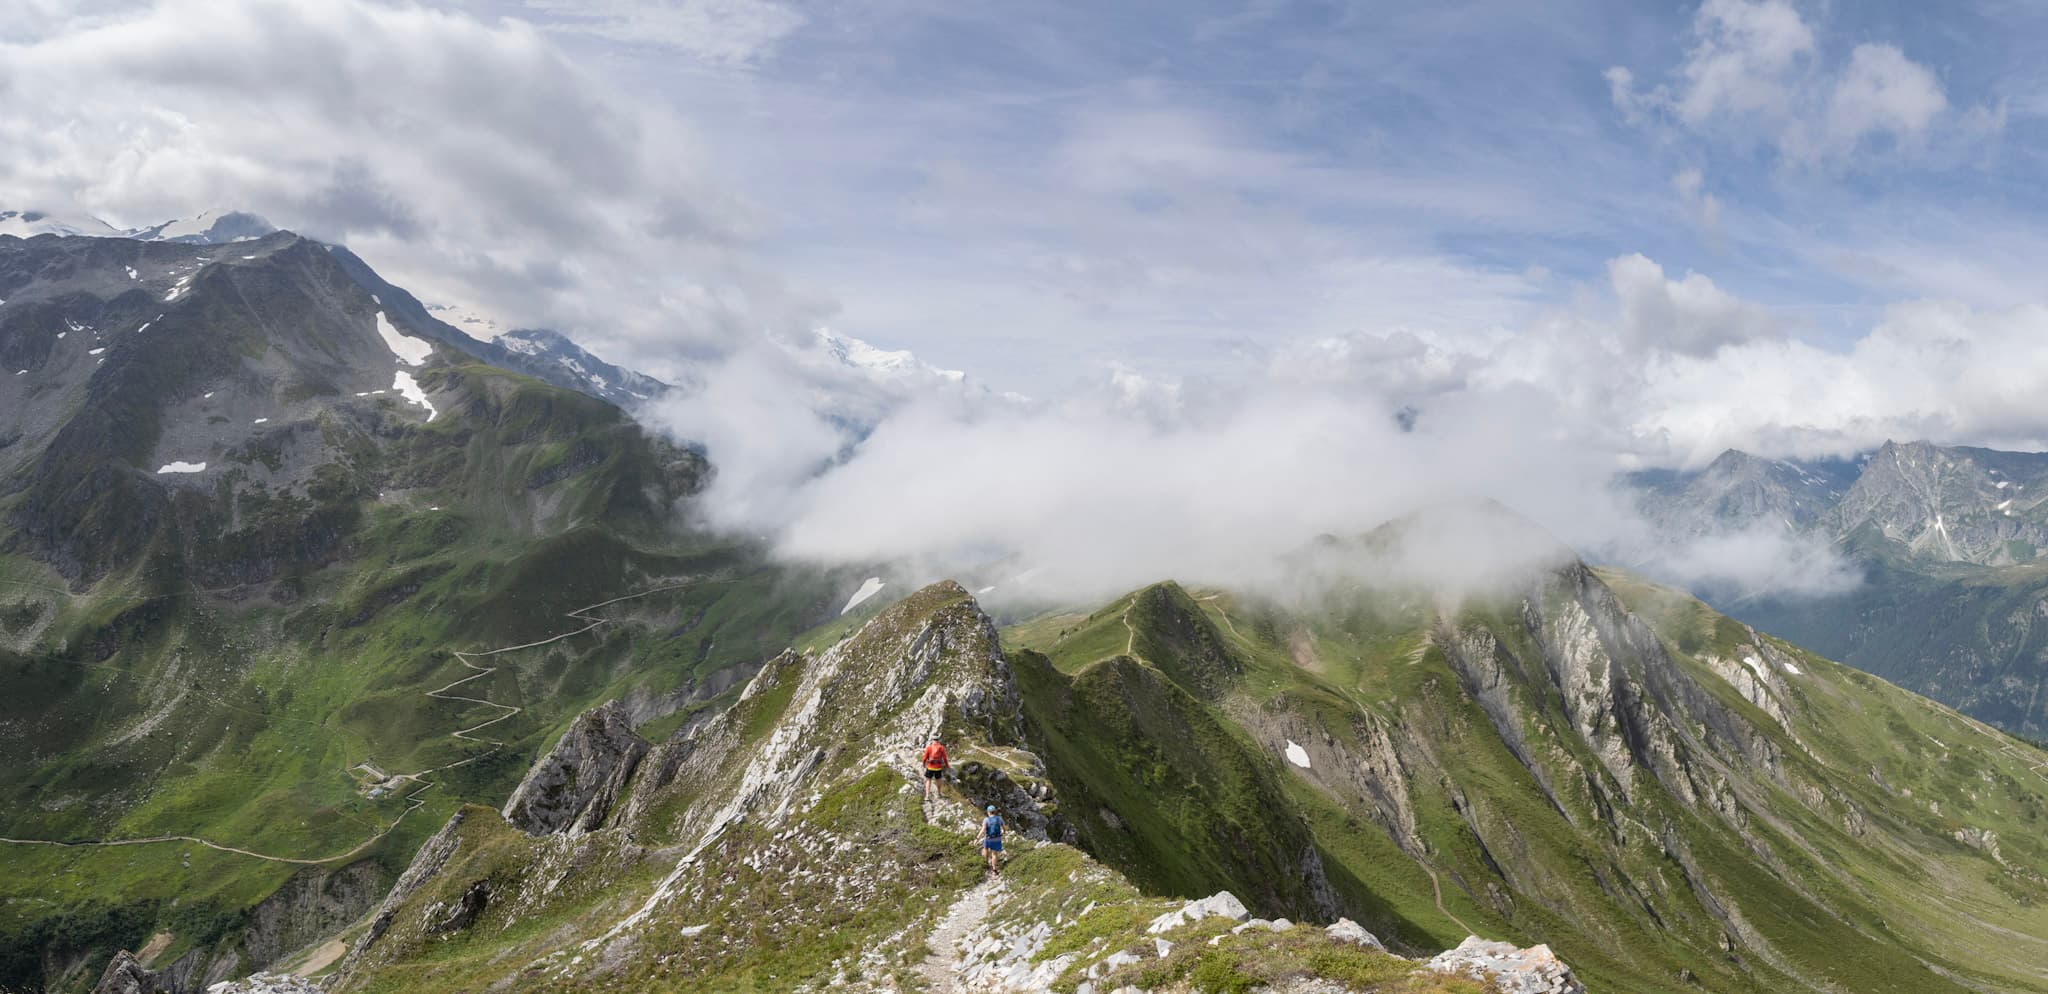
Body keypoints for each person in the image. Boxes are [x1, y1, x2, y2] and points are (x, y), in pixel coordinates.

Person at [919, 735, 949, 800]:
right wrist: (947, 765)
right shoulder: (941, 748)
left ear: (932, 740)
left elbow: (924, 757)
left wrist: (923, 764)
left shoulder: (929, 747)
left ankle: (927, 796)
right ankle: (939, 793)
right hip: (938, 767)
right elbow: (945, 758)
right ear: (938, 740)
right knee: (938, 780)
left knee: (928, 780)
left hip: (930, 766)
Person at [979, 804, 1004, 873]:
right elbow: (1003, 828)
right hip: (997, 838)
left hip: (988, 838)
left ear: (988, 812)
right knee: (994, 854)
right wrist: (1003, 832)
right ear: (995, 811)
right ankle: (994, 868)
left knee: (985, 849)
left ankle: (986, 863)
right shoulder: (999, 818)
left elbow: (983, 829)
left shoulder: (986, 820)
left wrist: (977, 837)